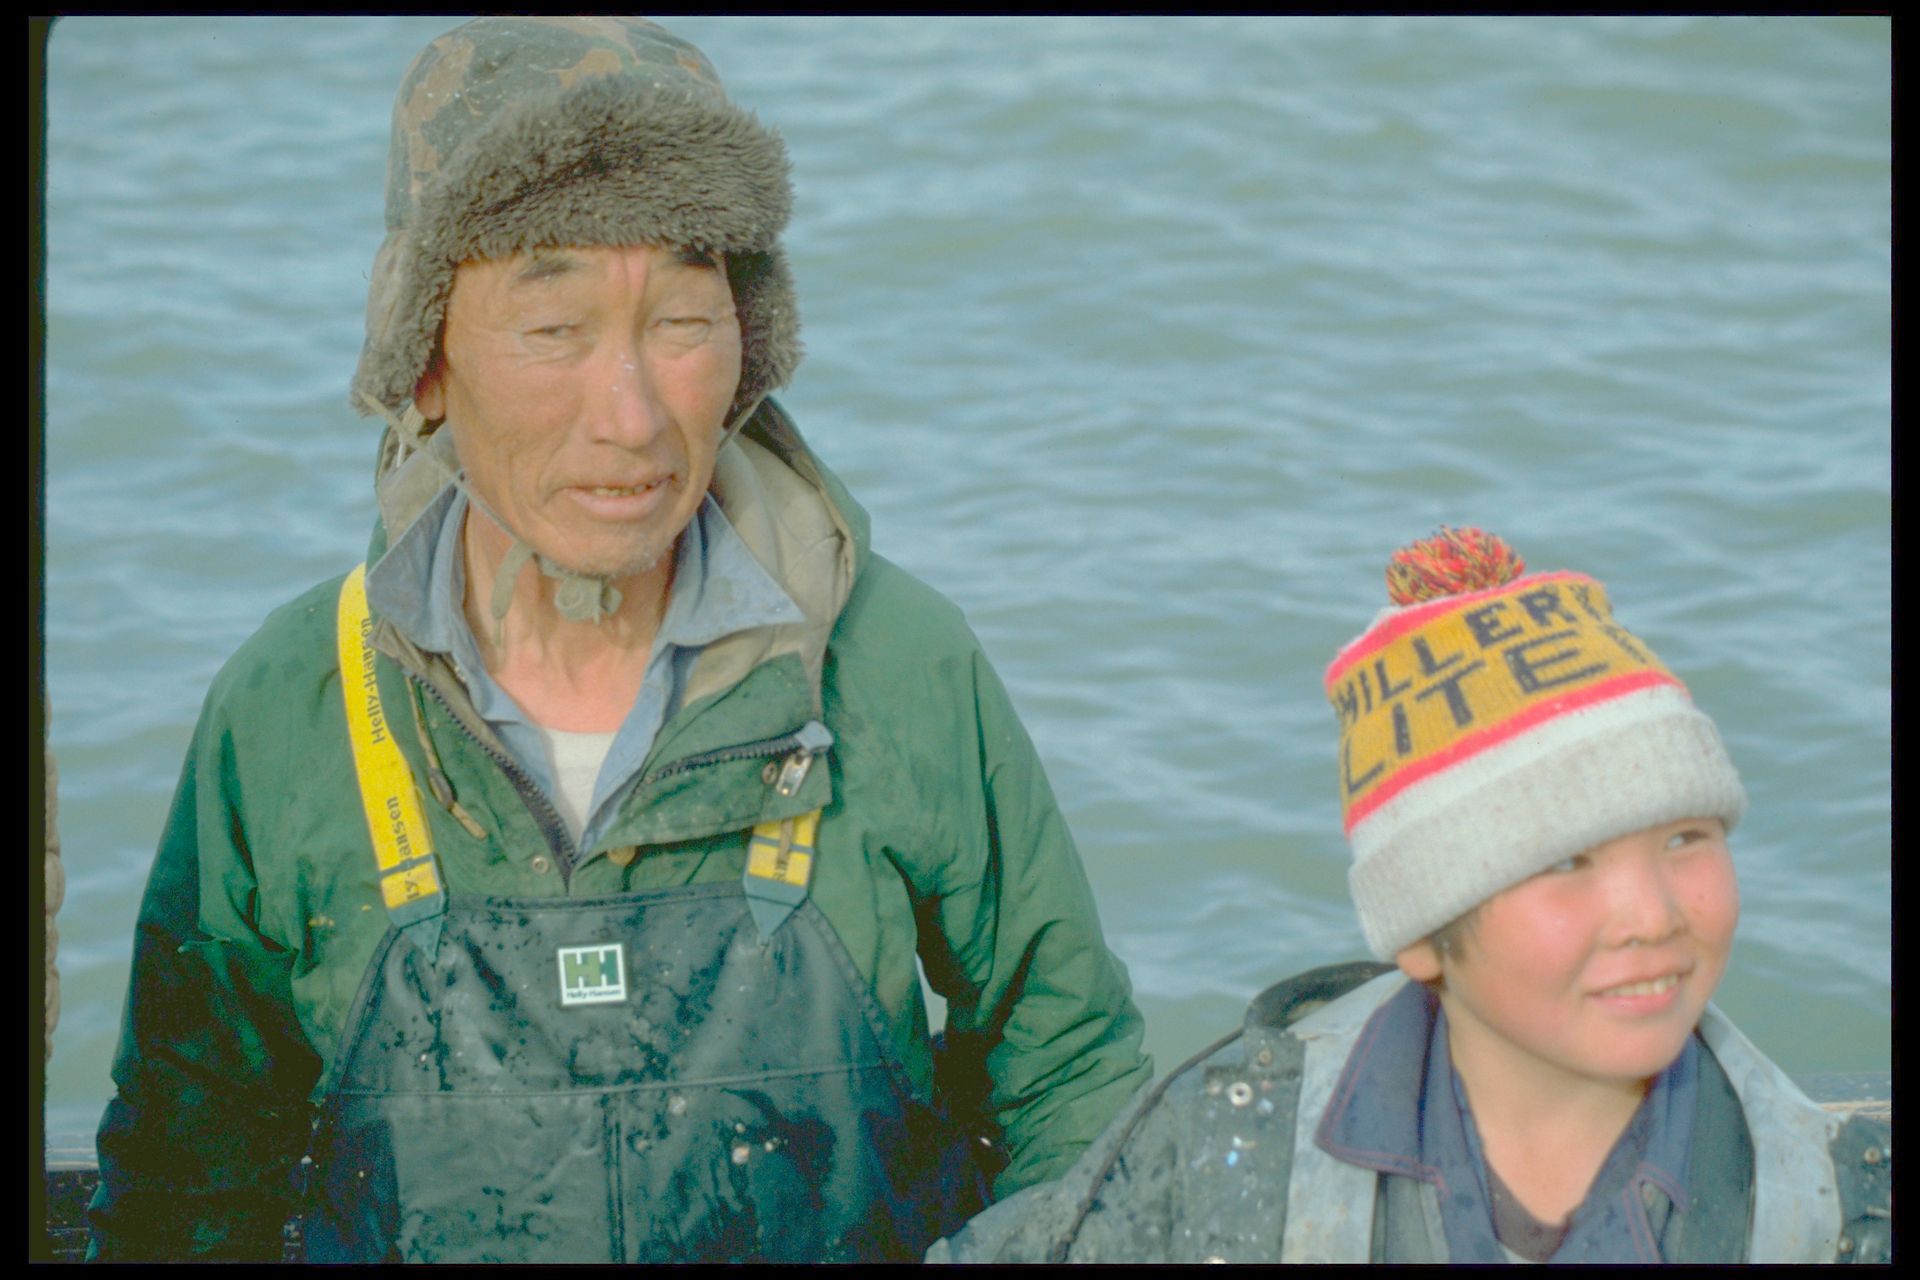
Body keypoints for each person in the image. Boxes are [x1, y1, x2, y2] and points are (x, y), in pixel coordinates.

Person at [86, 17, 1151, 1263]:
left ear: (749, 343)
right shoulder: (289, 707)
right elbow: (186, 1170)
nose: (633, 413)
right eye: (554, 328)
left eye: (683, 322)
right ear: (423, 363)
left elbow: (1071, 1079)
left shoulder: (901, 663)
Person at [933, 526, 1891, 1264]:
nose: (1652, 913)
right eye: (1565, 863)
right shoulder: (1224, 1149)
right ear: (1424, 935)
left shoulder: (1845, 1204)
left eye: (1687, 838)